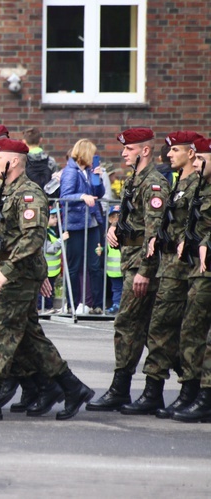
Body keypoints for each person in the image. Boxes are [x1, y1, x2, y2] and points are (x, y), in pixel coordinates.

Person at [0, 138, 93, 422]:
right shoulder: (3, 191)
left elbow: (32, 238)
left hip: (19, 274)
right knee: (29, 338)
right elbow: (1, 231)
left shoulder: (29, 194)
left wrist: (5, 270)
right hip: (8, 270)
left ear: (15, 161)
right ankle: (72, 387)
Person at [87, 128, 169, 412]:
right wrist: (115, 228)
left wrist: (145, 270)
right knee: (147, 330)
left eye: (129, 149)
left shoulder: (154, 183)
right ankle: (167, 389)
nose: (123, 153)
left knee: (127, 325)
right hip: (130, 259)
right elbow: (132, 217)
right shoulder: (135, 180)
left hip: (142, 265)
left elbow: (154, 231)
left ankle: (123, 389)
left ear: (145, 151)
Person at [120, 131, 202, 416]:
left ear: (191, 154)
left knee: (179, 331)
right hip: (169, 268)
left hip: (184, 270)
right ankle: (158, 391)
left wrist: (146, 267)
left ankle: (187, 391)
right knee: (163, 330)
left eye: (175, 150)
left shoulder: (193, 186)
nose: (169, 155)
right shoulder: (179, 184)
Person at [171, 137, 211, 422]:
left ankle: (203, 396)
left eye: (200, 159)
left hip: (205, 267)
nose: (195, 164)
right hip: (199, 267)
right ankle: (194, 391)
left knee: (200, 333)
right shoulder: (201, 187)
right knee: (192, 331)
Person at [59, 138, 106, 314]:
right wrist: (81, 196)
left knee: (95, 264)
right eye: (92, 154)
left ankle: (96, 304)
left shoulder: (87, 171)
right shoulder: (71, 172)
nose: (94, 158)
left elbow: (99, 194)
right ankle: (72, 302)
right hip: (75, 224)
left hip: (92, 223)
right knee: (75, 265)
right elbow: (65, 196)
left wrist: (98, 179)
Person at [40, 207, 67, 314]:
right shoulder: (45, 233)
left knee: (50, 289)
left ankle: (49, 306)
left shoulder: (52, 232)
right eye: (52, 217)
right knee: (45, 289)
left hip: (53, 270)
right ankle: (43, 307)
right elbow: (50, 249)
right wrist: (61, 240)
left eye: (56, 217)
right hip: (47, 269)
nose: (56, 219)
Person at [104, 206, 122, 315]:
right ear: (110, 219)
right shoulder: (107, 234)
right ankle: (116, 305)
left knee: (123, 289)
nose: (116, 219)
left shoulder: (124, 233)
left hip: (123, 267)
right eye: (113, 217)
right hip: (113, 270)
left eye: (119, 216)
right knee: (116, 289)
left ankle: (120, 306)